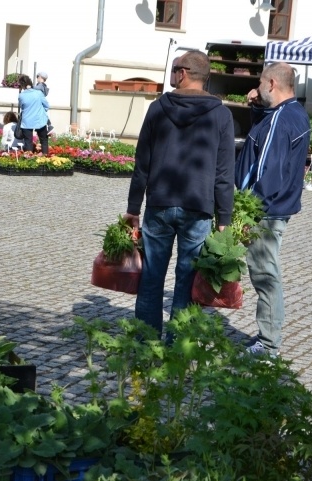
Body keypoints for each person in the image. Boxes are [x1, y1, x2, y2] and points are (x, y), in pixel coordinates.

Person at [123, 50, 235, 338]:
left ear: (183, 73)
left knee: (151, 279)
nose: (171, 75)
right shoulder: (222, 115)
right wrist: (225, 218)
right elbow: (224, 173)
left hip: (159, 205)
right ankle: (175, 352)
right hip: (198, 207)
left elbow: (142, 164)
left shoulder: (159, 108)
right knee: (186, 281)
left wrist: (133, 208)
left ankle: (145, 346)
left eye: (173, 70)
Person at [235, 62, 311, 357]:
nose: (257, 88)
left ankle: (268, 345)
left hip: (265, 212)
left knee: (265, 274)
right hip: (275, 208)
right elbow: (264, 139)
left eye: (261, 83)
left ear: (271, 84)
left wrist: (247, 212)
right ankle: (267, 337)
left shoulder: (282, 118)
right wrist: (256, 109)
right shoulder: (293, 112)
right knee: (265, 272)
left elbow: (267, 170)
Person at [17, 75, 50, 155]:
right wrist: (41, 111)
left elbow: (22, 106)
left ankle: (29, 159)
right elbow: (46, 106)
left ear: (22, 85)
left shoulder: (21, 95)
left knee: (28, 141)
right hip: (40, 119)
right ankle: (45, 157)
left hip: (27, 121)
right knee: (44, 140)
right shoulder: (38, 93)